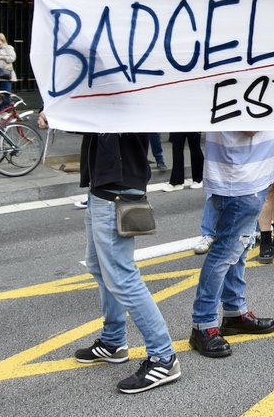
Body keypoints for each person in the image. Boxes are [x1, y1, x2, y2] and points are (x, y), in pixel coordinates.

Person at [39, 115, 181, 393]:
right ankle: (114, 341)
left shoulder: (127, 83)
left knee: (120, 275)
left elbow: (101, 117)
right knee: (100, 266)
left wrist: (59, 113)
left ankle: (164, 358)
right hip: (103, 187)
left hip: (118, 186)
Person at [189, 130, 274, 359]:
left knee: (239, 248)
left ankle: (234, 312)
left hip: (251, 171)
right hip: (240, 174)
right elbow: (250, 123)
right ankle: (203, 324)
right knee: (226, 252)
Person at [0, 32, 17, 96]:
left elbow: (12, 58)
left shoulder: (8, 48)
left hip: (5, 72)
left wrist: (0, 57)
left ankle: (7, 104)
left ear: (3, 41)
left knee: (6, 91)